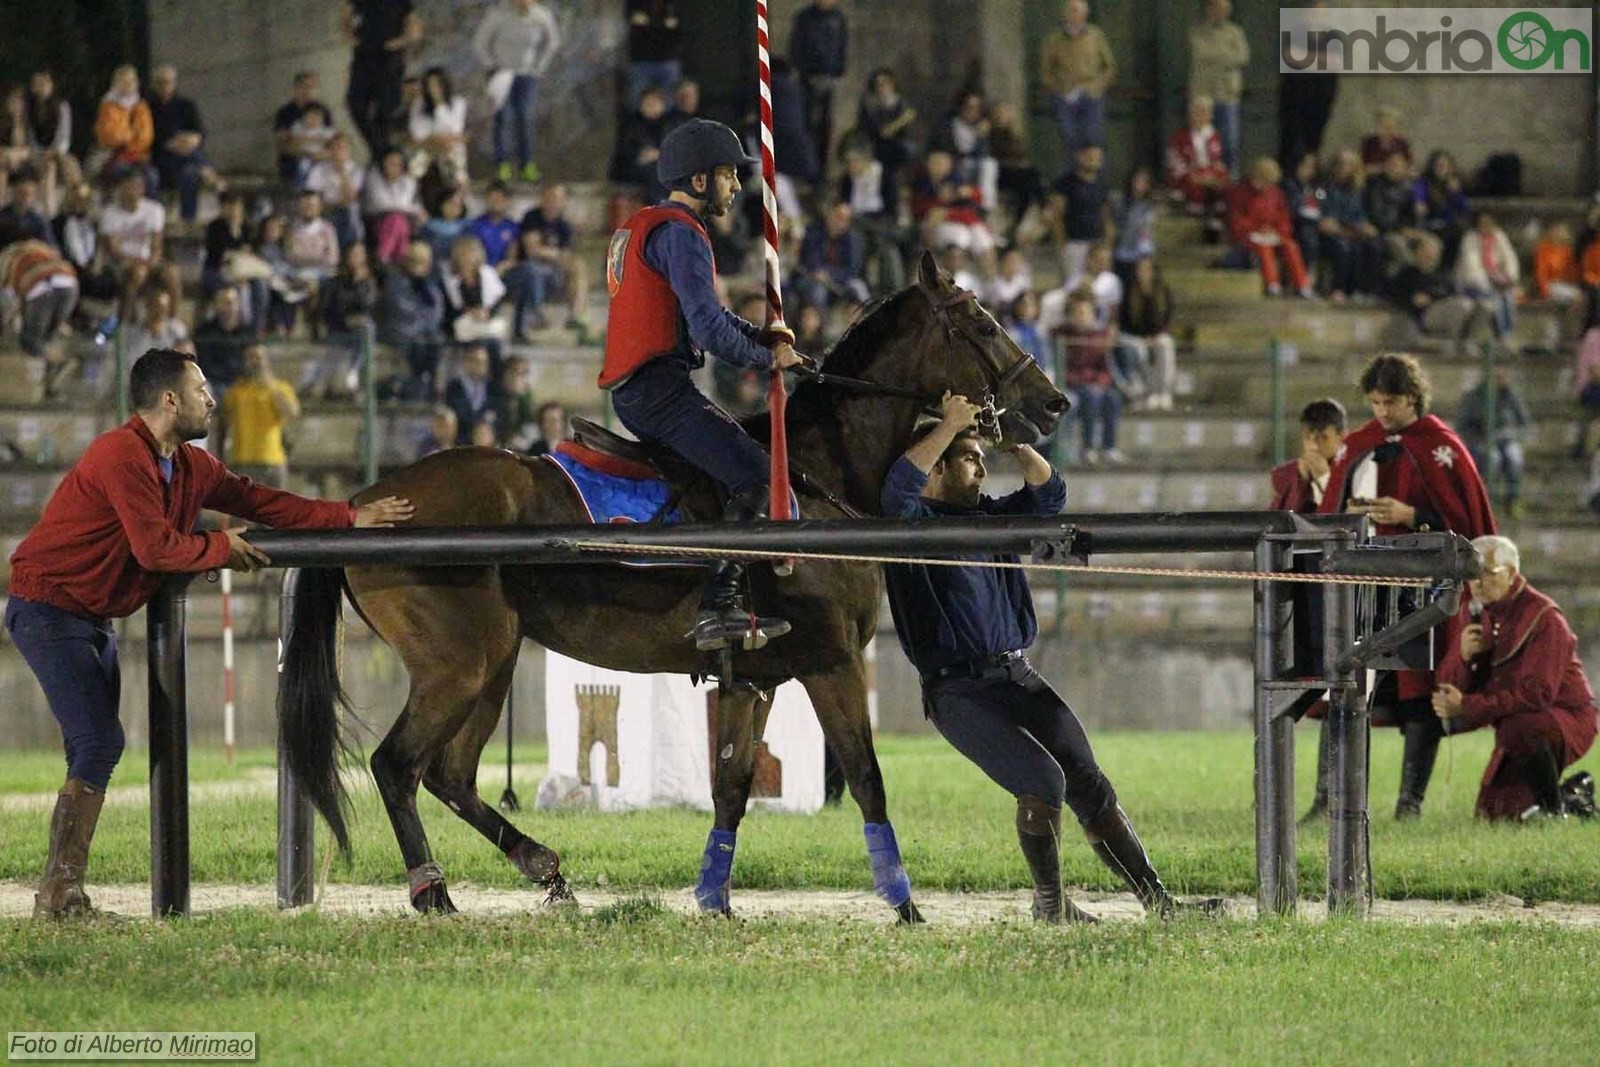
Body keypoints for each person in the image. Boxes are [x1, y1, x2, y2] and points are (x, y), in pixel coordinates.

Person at [8, 347, 413, 920]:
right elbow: (154, 548)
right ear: (170, 400)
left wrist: (348, 518)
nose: (211, 399)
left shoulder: (192, 465)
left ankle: (61, 893)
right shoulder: (121, 454)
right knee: (100, 743)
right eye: (201, 390)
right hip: (48, 608)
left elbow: (262, 501)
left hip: (91, 616)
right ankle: (60, 895)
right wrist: (221, 547)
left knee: (95, 746)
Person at [883, 395, 1207, 923]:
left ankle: (1160, 903)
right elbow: (896, 489)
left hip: (1016, 674)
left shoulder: (993, 515)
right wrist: (950, 426)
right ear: (937, 465)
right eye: (969, 457)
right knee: (1043, 779)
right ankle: (1050, 907)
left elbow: (1050, 494)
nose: (982, 466)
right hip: (957, 690)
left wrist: (1013, 439)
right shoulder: (910, 520)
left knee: (1089, 781)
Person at [600, 118, 806, 651]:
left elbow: (709, 318)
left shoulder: (646, 224)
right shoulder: (682, 235)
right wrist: (766, 357)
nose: (737, 187)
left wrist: (767, 340)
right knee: (764, 481)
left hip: (642, 389)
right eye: (728, 175)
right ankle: (719, 604)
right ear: (698, 181)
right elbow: (710, 330)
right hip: (659, 394)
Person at [1310, 352, 1497, 821]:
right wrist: (1350, 514)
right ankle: (1331, 801)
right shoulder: (1359, 445)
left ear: (1412, 397)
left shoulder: (1442, 447)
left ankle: (1408, 805)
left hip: (1424, 591)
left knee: (1421, 690)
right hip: (1366, 586)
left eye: (1390, 402)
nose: (1382, 412)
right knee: (1349, 687)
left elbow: (1467, 526)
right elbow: (1329, 516)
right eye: (1374, 401)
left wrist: (1414, 517)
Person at [1433, 536, 1597, 820]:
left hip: (1565, 719)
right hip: (1514, 725)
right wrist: (1462, 657)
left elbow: (1537, 695)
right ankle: (1574, 797)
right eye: (1472, 575)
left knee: (1521, 726)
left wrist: (1467, 706)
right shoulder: (1475, 613)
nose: (1477, 583)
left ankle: (1553, 810)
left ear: (1510, 573)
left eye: (1487, 573)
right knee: (1492, 815)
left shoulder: (1545, 617)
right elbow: (1449, 686)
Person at [472, 0, 561, 184]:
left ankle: (526, 165)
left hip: (527, 74)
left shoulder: (541, 15)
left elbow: (552, 42)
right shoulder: (498, 14)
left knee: (525, 117)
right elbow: (479, 42)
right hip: (502, 73)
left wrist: (539, 67)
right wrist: (491, 66)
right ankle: (502, 164)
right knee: (502, 117)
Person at [342, 0, 423, 162]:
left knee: (386, 109)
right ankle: (381, 153)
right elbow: (346, 14)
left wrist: (397, 43)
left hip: (389, 59)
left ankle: (383, 155)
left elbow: (414, 29)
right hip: (364, 56)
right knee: (355, 104)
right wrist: (351, 36)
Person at [146, 65, 224, 224]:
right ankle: (206, 170)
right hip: (161, 156)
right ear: (155, 84)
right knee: (158, 171)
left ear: (174, 83)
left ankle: (188, 221)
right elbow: (150, 138)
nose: (165, 86)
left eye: (168, 82)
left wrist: (189, 140)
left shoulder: (186, 105)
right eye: (161, 82)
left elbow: (200, 133)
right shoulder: (147, 107)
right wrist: (172, 143)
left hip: (185, 156)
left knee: (189, 173)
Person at [1038, 0, 1116, 160]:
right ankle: (1071, 180)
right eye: (1072, 10)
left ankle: (1095, 180)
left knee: (1093, 138)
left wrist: (1097, 86)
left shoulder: (1096, 36)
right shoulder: (1053, 40)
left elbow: (1109, 67)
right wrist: (1059, 89)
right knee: (1070, 140)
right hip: (1065, 94)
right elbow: (1045, 71)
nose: (1075, 15)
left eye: (1078, 11)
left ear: (1085, 14)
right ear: (1065, 13)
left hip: (1092, 94)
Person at [1226, 157, 1311, 299]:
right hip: (1250, 236)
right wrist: (1257, 229)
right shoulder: (1239, 193)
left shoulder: (1276, 194)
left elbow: (1284, 219)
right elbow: (1236, 220)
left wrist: (1278, 232)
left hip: (1273, 235)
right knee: (1264, 248)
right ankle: (1272, 285)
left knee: (1291, 246)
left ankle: (1302, 286)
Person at [1456, 367, 1532, 519]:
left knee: (1514, 457)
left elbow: (1524, 424)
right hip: (1481, 440)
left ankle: (1513, 499)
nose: (1499, 380)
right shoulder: (1474, 396)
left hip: (1507, 438)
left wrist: (1513, 435)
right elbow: (1462, 425)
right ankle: (1489, 501)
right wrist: (1477, 438)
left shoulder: (1511, 396)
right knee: (1493, 458)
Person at [222, 343, 301, 489]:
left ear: (267, 361)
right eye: (250, 358)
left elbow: (293, 411)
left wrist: (271, 387)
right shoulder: (235, 391)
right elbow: (225, 420)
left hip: (273, 459)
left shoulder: (280, 388)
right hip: (244, 460)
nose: (255, 362)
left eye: (259, 357)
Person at [1189, 0, 1248, 178]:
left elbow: (1242, 57)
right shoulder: (1197, 31)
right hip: (1204, 96)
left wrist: (1216, 56)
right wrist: (1226, 55)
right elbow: (1201, 53)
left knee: (1230, 143)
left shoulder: (1236, 32)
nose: (1222, 13)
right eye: (1218, 8)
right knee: (1202, 144)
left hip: (1228, 95)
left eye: (1226, 9)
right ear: (1209, 9)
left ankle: (1230, 180)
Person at [790, 0, 848, 173]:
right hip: (808, 78)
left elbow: (841, 45)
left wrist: (837, 70)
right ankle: (806, 166)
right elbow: (797, 46)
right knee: (806, 123)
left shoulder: (838, 18)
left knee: (825, 124)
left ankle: (821, 168)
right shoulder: (805, 18)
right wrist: (805, 70)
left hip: (829, 77)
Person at [1270, 398, 1345, 512]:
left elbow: (1348, 520)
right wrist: (1301, 483)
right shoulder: (1284, 475)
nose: (1313, 447)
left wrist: (1325, 480)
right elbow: (1279, 523)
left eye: (1323, 438)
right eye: (1308, 438)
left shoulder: (1354, 471)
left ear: (1342, 436)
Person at [91, 66, 155, 189]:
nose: (127, 85)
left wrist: (127, 138)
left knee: (152, 177)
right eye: (123, 82)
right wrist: (132, 134)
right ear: (115, 84)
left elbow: (146, 137)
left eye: (130, 82)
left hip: (138, 157)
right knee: (122, 172)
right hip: (113, 156)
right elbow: (108, 136)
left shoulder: (141, 106)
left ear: (136, 83)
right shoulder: (108, 106)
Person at [274, 72, 335, 187]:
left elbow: (331, 141)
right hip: (294, 160)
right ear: (296, 89)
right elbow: (283, 145)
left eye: (313, 87)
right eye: (305, 87)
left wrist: (323, 154)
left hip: (321, 157)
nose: (309, 91)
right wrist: (307, 154)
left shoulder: (323, 111)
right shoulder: (285, 112)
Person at [625, 0, 683, 108]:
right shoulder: (635, 4)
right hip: (641, 60)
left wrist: (649, 25)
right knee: (637, 103)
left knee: (669, 104)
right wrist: (662, 26)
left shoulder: (672, 5)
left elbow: (677, 32)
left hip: (667, 60)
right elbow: (634, 29)